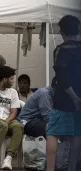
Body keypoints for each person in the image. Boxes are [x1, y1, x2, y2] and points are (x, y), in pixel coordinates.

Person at [46, 15, 81, 171]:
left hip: (64, 97)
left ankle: (50, 168)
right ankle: (72, 167)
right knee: (76, 132)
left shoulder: (61, 50)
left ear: (62, 32)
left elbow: (61, 76)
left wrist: (73, 98)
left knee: (53, 131)